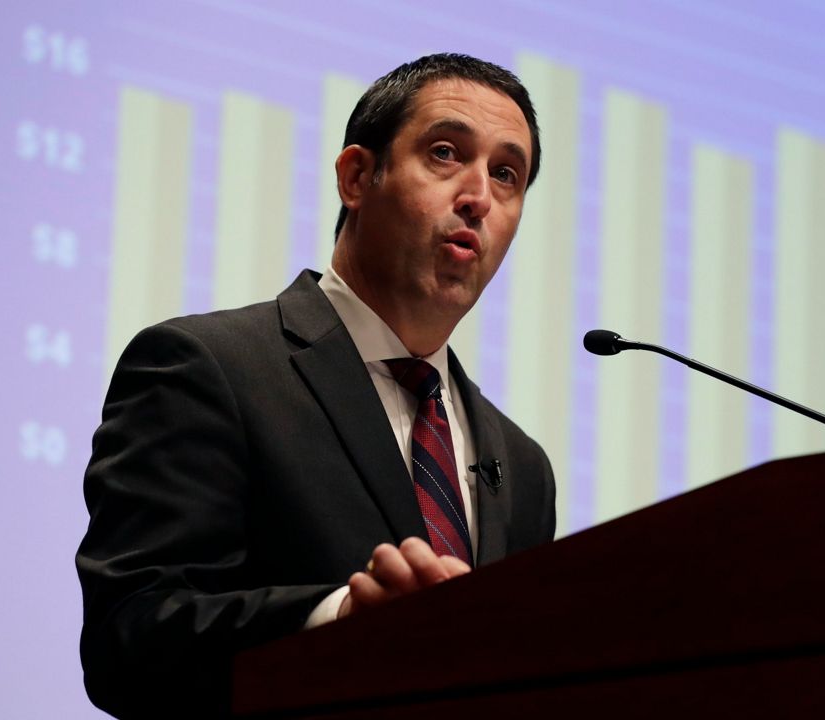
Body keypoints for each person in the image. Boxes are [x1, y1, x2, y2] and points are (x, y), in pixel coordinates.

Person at [76, 53, 555, 719]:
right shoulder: (206, 367)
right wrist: (337, 619)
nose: (479, 195)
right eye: (446, 153)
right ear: (357, 176)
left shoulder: (523, 466)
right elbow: (129, 641)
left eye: (507, 174)